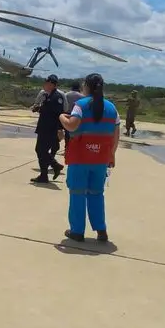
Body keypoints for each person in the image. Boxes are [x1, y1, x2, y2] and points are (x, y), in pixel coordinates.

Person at [59, 73, 120, 242]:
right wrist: (112, 154)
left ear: (86, 86)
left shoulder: (80, 105)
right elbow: (116, 134)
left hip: (80, 157)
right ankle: (101, 230)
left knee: (78, 193)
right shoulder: (112, 108)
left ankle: (77, 231)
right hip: (100, 159)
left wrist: (62, 117)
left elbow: (72, 126)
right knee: (96, 194)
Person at [30, 74, 65, 184]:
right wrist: (39, 108)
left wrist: (60, 130)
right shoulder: (48, 95)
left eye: (46, 83)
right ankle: (44, 175)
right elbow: (47, 110)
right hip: (44, 127)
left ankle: (55, 166)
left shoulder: (57, 97)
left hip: (49, 129)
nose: (44, 85)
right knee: (40, 150)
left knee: (41, 150)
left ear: (51, 84)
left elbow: (57, 113)